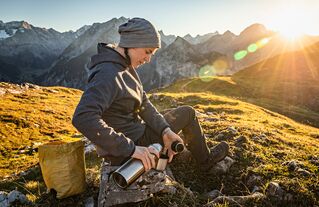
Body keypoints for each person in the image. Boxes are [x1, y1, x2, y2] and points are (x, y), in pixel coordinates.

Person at [72, 17, 229, 173]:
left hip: (136, 136)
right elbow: (83, 117)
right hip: (131, 146)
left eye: (151, 54)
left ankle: (178, 150)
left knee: (168, 121)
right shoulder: (108, 73)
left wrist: (165, 131)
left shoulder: (124, 65)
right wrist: (132, 150)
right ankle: (205, 161)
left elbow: (144, 104)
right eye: (147, 52)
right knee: (188, 112)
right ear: (132, 43)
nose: (148, 59)